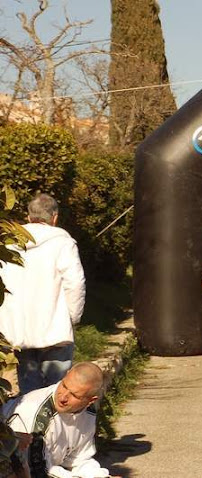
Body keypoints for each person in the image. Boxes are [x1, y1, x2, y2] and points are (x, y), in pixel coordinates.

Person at [0, 193, 86, 394]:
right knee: (59, 391)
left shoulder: (10, 243)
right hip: (55, 329)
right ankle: (54, 425)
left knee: (30, 393)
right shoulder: (63, 243)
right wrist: (72, 317)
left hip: (20, 329)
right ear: (54, 217)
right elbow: (75, 283)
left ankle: (32, 426)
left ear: (28, 217)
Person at [3, 362, 112, 478]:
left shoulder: (88, 411)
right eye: (64, 385)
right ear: (66, 374)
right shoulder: (34, 412)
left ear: (90, 400)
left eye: (74, 395)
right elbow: (35, 470)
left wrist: (99, 475)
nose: (63, 397)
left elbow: (79, 459)